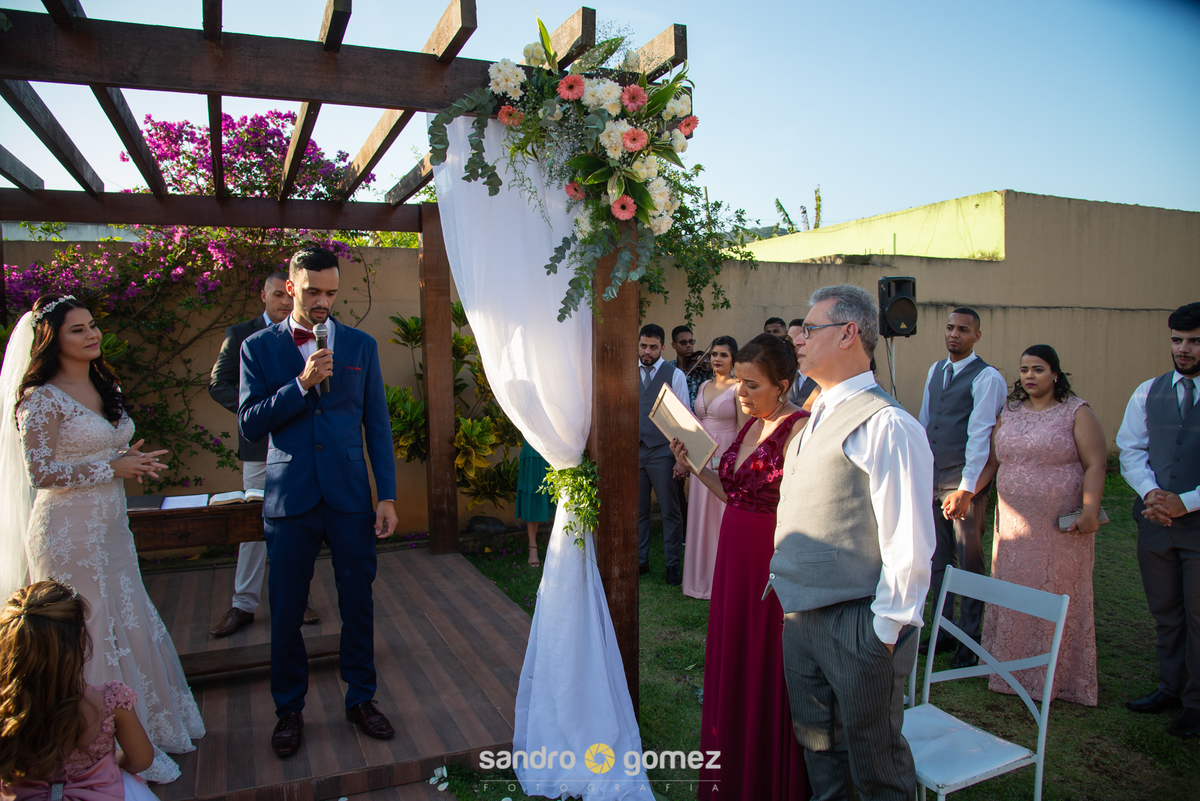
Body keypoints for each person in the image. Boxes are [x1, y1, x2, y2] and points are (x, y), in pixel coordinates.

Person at [0, 295, 204, 784]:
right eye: (77, 329)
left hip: (112, 529)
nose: (92, 335)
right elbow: (41, 472)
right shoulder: (39, 399)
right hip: (66, 534)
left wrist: (131, 460)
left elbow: (106, 451)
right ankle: (94, 747)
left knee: (127, 616)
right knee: (87, 630)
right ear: (50, 340)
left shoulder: (103, 384)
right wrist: (112, 466)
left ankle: (145, 730)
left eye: (92, 326)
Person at [769, 285, 936, 801]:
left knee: (875, 762)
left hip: (859, 621)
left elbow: (909, 541)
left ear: (848, 333)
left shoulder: (888, 424)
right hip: (802, 616)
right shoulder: (814, 414)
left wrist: (882, 633)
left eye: (808, 328)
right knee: (819, 750)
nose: (797, 338)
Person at [238, 246, 398, 757]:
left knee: (358, 605)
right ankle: (289, 710)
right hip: (290, 498)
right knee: (286, 611)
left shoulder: (361, 345)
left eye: (331, 292)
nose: (323, 301)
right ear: (291, 288)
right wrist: (301, 384)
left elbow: (377, 425)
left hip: (350, 496)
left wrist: (387, 495)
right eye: (312, 292)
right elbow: (249, 423)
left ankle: (361, 699)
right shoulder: (257, 348)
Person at [671, 333, 809, 800]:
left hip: (770, 559)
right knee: (733, 657)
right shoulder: (753, 424)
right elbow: (734, 494)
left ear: (782, 386)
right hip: (732, 554)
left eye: (752, 385)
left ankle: (767, 776)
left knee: (765, 664)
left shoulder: (799, 429)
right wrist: (694, 466)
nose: (742, 393)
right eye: (740, 383)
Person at [977, 344, 1106, 706]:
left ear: (1055, 374)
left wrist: (1090, 511)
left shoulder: (1076, 412)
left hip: (1058, 530)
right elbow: (993, 461)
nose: (1030, 376)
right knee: (1013, 591)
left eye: (1038, 369)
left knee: (1054, 594)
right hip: (1013, 525)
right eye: (1024, 370)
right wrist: (968, 493)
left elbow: (1096, 464)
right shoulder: (1010, 411)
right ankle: (1008, 672)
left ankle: (1057, 678)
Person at [207, 270, 318, 637]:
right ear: (264, 295)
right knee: (252, 525)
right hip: (259, 446)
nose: (284, 302)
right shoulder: (241, 335)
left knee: (298, 521)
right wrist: (258, 411)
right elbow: (219, 384)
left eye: (288, 296)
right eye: (276, 296)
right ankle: (244, 603)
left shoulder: (314, 332)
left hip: (300, 445)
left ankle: (298, 598)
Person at [1117, 301, 1200, 738]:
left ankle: (1196, 704)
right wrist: (1151, 493)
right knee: (1165, 612)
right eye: (1177, 340)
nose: (1183, 349)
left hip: (1197, 526)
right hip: (1155, 523)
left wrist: (1186, 502)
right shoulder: (1148, 391)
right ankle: (1171, 687)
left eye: (1194, 341)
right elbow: (1130, 449)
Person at [0, 580, 160, 801]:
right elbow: (141, 760)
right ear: (81, 641)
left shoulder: (6, 710)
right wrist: (108, 762)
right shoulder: (111, 701)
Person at [917, 308, 1007, 669]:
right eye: (950, 328)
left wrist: (968, 489)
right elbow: (926, 421)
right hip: (933, 478)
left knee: (969, 561)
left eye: (964, 330)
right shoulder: (935, 370)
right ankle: (943, 631)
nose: (955, 334)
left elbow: (981, 435)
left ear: (976, 336)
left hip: (963, 483)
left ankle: (970, 639)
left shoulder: (987, 377)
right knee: (938, 560)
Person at [681, 336, 746, 601]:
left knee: (721, 517)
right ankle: (698, 581)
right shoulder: (704, 385)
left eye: (723, 355)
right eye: (714, 354)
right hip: (701, 456)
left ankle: (722, 581)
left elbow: (744, 429)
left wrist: (735, 463)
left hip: (726, 455)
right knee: (699, 516)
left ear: (733, 359)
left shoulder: (738, 387)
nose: (717, 359)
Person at [637, 323, 690, 586]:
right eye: (643, 346)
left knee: (670, 511)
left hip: (663, 450)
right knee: (638, 511)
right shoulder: (627, 371)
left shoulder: (675, 375)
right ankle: (640, 561)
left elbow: (684, 418)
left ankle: (672, 566)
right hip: (635, 450)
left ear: (663, 347)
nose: (647, 351)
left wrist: (681, 460)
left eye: (653, 347)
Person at [516, 440, 555, 568]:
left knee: (560, 495)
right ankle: (532, 547)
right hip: (534, 443)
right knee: (533, 494)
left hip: (556, 441)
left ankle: (559, 547)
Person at [666, 325, 708, 409]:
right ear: (673, 345)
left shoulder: (700, 368)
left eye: (691, 341)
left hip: (697, 415)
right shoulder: (669, 368)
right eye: (683, 342)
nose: (689, 345)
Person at [785, 318, 819, 409]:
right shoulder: (780, 375)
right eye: (790, 340)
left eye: (802, 338)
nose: (795, 344)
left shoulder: (821, 378)